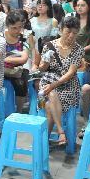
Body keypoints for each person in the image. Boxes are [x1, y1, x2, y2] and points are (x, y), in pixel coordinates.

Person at [36, 16, 82, 145]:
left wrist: (53, 85)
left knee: (50, 101)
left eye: (75, 32)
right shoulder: (49, 46)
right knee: (49, 93)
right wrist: (46, 60)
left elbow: (71, 73)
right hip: (47, 81)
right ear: (60, 30)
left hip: (68, 86)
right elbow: (42, 69)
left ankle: (43, 142)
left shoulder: (78, 49)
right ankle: (61, 132)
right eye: (68, 32)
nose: (71, 36)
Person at [2, 11, 31, 110]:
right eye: (14, 28)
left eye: (19, 27)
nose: (17, 30)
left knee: (21, 84)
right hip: (1, 70)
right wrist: (15, 58)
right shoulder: (0, 37)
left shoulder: (24, 38)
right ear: (7, 26)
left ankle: (18, 111)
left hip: (18, 71)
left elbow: (24, 59)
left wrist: (5, 58)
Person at [30, 0, 59, 67]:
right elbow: (29, 38)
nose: (40, 6)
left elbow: (53, 39)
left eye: (43, 5)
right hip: (32, 49)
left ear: (48, 7)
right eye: (39, 4)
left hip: (46, 50)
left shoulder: (53, 21)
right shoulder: (32, 20)